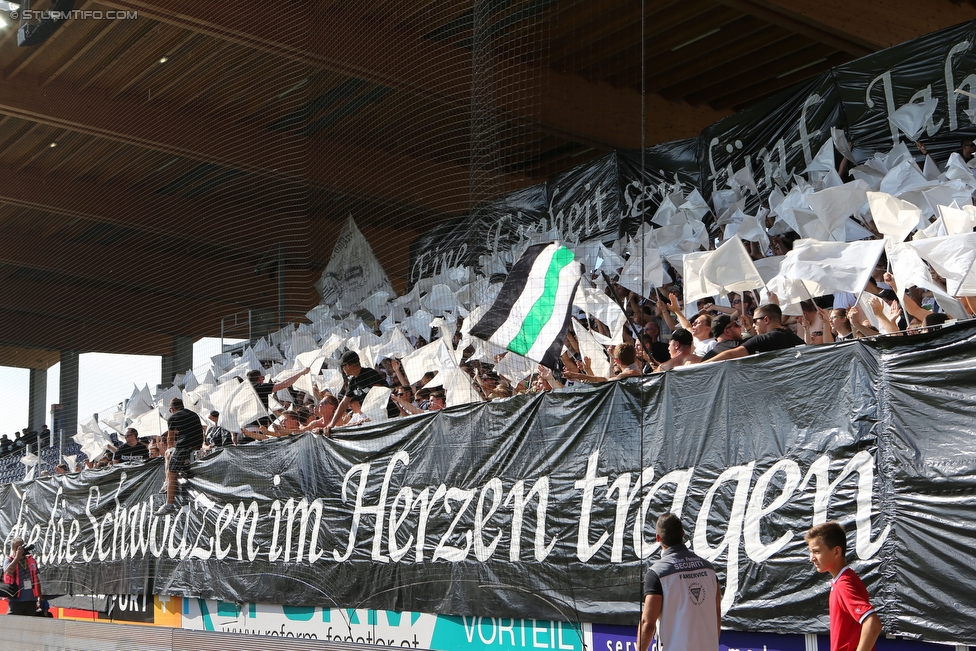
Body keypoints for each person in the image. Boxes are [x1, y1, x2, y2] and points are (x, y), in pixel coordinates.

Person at [637, 513, 721, 651]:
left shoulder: (657, 573)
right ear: (682, 534)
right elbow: (717, 612)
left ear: (658, 538)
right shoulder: (709, 569)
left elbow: (648, 623)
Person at [805, 521, 882, 651]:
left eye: (816, 552)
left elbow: (873, 623)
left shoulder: (844, 585)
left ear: (836, 552)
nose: (812, 558)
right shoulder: (842, 580)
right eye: (811, 552)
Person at [323, 350, 396, 435]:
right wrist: (331, 425)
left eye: (342, 366)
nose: (342, 369)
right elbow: (343, 404)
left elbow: (380, 396)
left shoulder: (370, 374)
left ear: (348, 365)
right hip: (376, 422)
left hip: (391, 418)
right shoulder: (353, 382)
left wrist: (370, 417)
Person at [703, 304, 804, 362]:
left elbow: (731, 354)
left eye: (755, 321)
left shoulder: (763, 339)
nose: (754, 325)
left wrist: (701, 366)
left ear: (766, 320)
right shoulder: (796, 339)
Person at [156, 398, 203, 516]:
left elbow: (170, 439)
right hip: (197, 445)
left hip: (184, 448)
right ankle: (167, 482)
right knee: (168, 454)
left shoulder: (173, 418)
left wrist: (171, 448)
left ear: (172, 409)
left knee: (172, 473)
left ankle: (169, 504)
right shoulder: (193, 414)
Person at [3, 538, 42, 616]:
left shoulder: (31, 560)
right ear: (13, 548)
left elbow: (36, 579)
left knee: (29, 625)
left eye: (22, 546)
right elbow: (8, 572)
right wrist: (17, 557)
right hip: (16, 600)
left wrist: (40, 596)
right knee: (15, 624)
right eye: (18, 547)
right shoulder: (9, 560)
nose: (21, 548)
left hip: (31, 599)